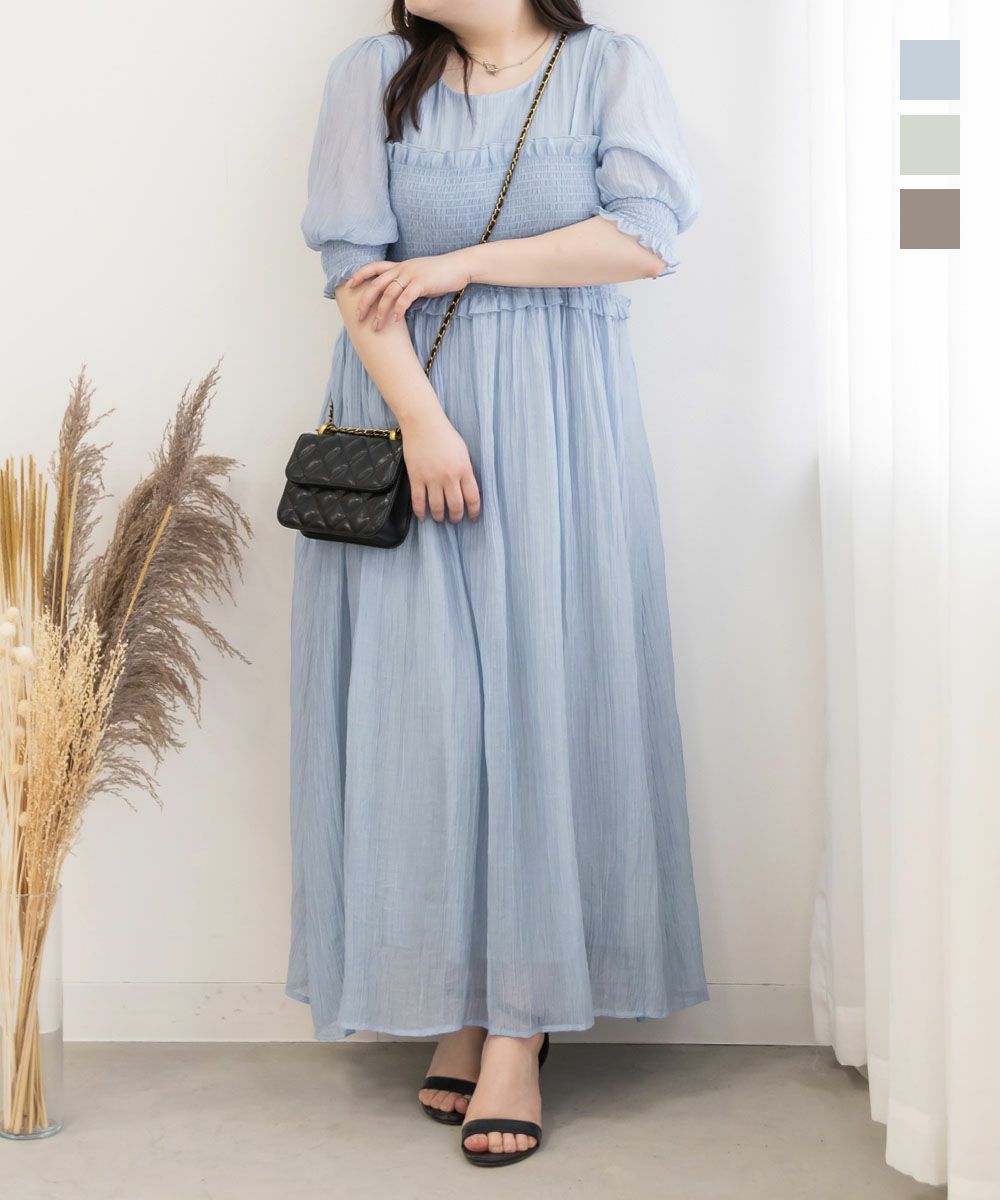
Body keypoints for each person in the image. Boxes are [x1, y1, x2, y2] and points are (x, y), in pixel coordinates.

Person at [286, 0, 709, 1167]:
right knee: (428, 726)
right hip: (408, 412)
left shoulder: (608, 67)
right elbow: (352, 270)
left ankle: (519, 1025)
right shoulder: (372, 73)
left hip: (562, 431)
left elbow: (644, 237)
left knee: (542, 711)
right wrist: (424, 424)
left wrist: (464, 261)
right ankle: (457, 1004)